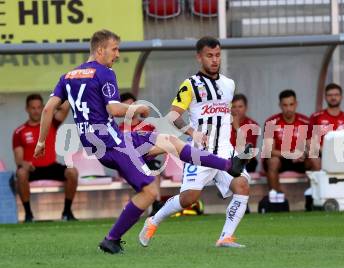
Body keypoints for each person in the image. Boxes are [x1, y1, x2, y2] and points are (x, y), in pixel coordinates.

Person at [33, 30, 248, 254]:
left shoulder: (68, 77)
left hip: (109, 140)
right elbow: (114, 109)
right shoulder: (104, 72)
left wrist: (41, 142)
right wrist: (137, 108)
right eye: (114, 49)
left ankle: (228, 164)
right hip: (112, 144)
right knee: (149, 192)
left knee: (169, 142)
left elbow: (49, 109)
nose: (117, 55)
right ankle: (112, 239)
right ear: (100, 50)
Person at [139, 36, 251, 248]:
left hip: (225, 149)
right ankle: (153, 221)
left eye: (217, 55)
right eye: (209, 56)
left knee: (242, 185)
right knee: (189, 197)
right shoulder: (189, 85)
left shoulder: (229, 84)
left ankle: (226, 237)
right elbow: (172, 115)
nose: (215, 60)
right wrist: (193, 132)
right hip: (200, 151)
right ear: (199, 57)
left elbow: (225, 114)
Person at [13, 93, 78, 222]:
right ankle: (28, 215)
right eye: (33, 108)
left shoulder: (51, 123)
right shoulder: (19, 132)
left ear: (43, 107)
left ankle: (67, 212)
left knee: (72, 172)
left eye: (39, 107)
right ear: (27, 109)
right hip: (32, 169)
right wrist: (25, 164)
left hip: (51, 166)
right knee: (20, 173)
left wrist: (53, 105)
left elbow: (65, 108)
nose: (36, 111)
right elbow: (18, 159)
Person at [119, 92, 162, 215]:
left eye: (132, 105)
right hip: (128, 163)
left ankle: (156, 204)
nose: (130, 109)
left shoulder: (148, 126)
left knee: (153, 168)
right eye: (126, 106)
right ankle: (148, 205)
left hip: (147, 159)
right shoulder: (118, 129)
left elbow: (157, 145)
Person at [262, 90, 310, 193]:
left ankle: (315, 196)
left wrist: (304, 153)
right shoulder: (271, 122)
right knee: (273, 161)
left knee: (315, 161)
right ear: (280, 105)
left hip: (300, 160)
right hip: (281, 159)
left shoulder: (306, 121)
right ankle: (276, 199)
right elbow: (269, 150)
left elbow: (312, 146)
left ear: (296, 104)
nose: (288, 108)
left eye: (291, 104)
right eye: (285, 105)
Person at [306, 83, 344, 171]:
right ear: (325, 97)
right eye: (330, 95)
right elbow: (309, 141)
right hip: (322, 154)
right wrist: (326, 151)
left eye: (336, 95)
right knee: (315, 160)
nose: (333, 98)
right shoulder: (316, 117)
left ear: (341, 97)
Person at [231, 94, 259, 172]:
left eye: (240, 106)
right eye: (234, 107)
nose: (237, 110)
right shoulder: (224, 124)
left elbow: (248, 150)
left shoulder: (253, 126)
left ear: (246, 108)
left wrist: (237, 128)